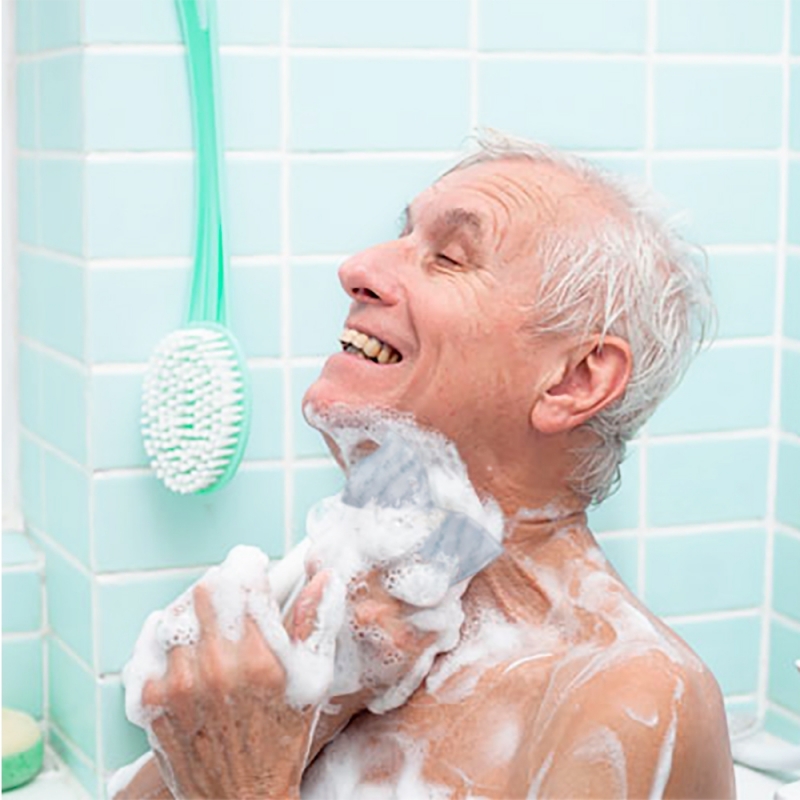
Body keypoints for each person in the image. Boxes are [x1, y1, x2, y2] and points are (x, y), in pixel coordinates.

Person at [112, 133, 735, 799]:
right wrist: (326, 702)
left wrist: (246, 787)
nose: (357, 268)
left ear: (575, 379)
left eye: (449, 257)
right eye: (404, 236)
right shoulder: (365, 610)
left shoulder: (631, 703)